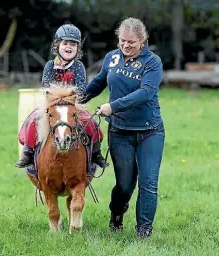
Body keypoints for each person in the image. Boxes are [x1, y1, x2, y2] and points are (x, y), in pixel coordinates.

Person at [80, 17, 165, 238]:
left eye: (131, 43)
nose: (126, 46)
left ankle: (143, 231)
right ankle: (116, 215)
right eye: (122, 41)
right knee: (124, 185)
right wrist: (75, 99)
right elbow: (99, 82)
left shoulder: (153, 63)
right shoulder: (112, 57)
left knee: (148, 183)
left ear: (143, 41)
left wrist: (113, 106)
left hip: (150, 131)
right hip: (120, 132)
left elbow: (146, 92)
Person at [15, 24, 108, 170]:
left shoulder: (78, 66)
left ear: (77, 48)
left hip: (72, 106)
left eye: (73, 44)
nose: (68, 47)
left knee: (92, 125)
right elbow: (46, 87)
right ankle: (28, 152)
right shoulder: (50, 66)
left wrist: (70, 96)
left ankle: (96, 154)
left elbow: (81, 89)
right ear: (57, 45)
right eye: (65, 43)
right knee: (33, 120)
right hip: (51, 106)